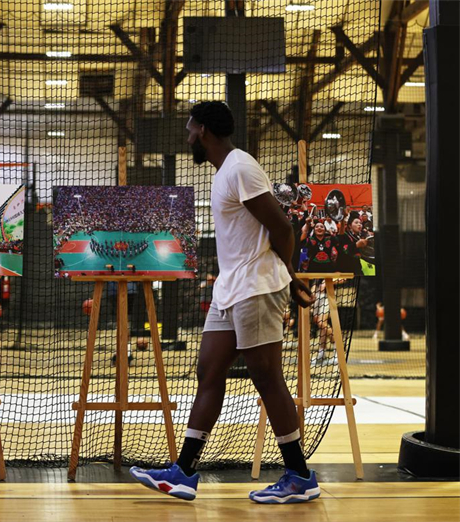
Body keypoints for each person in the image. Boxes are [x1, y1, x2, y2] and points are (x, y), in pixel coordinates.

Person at [129, 101, 319, 504]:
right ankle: (183, 472)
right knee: (208, 373)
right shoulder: (222, 173)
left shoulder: (239, 167)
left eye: (190, 129)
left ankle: (300, 476)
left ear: (205, 131)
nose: (187, 136)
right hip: (230, 289)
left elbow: (282, 227)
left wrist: (289, 275)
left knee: (267, 378)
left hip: (256, 287)